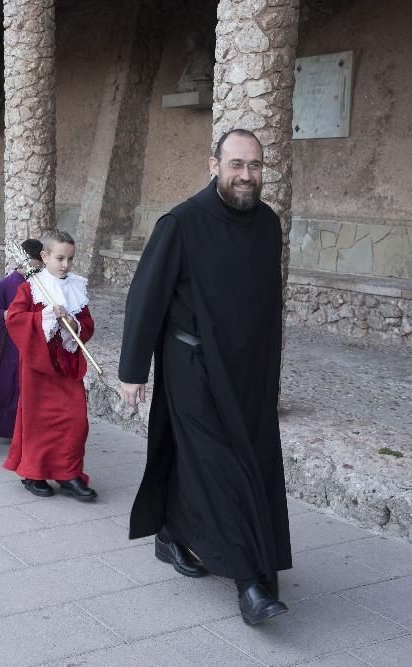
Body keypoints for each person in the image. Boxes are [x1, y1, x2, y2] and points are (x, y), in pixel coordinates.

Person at [118, 129, 291, 626]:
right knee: (221, 467)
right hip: (192, 368)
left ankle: (172, 533)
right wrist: (133, 371)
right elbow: (145, 297)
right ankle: (251, 583)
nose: (246, 175)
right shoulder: (182, 222)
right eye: (236, 164)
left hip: (248, 374)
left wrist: (269, 373)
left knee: (252, 463)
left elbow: (266, 308)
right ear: (213, 164)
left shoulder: (267, 224)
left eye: (255, 165)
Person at [3, 230, 97, 501]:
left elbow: (87, 326)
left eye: (70, 258)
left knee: (75, 420)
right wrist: (45, 316)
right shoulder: (30, 287)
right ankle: (34, 472)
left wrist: (72, 323)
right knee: (39, 419)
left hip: (67, 365)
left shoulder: (77, 286)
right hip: (38, 365)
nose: (66, 264)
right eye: (59, 258)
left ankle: (68, 473)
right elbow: (15, 320)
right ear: (44, 257)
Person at [0, 238, 43, 438]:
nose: (36, 267)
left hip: (33, 339)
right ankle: (3, 425)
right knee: (8, 382)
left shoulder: (41, 283)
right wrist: (9, 315)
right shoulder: (6, 284)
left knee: (27, 384)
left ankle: (27, 427)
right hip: (9, 340)